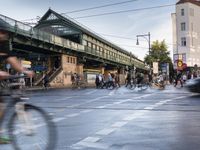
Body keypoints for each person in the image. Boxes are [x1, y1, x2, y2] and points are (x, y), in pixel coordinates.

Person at [0, 22, 34, 144]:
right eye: (2, 32)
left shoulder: (3, 43)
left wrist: (25, 70)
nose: (5, 35)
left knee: (1, 104)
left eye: (6, 33)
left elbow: (12, 60)